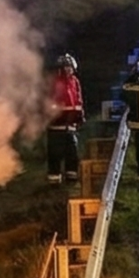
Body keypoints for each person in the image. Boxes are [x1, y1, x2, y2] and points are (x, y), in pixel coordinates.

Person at [47, 54, 84, 183]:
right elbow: (49, 103)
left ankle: (71, 177)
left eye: (70, 67)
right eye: (66, 67)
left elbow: (78, 100)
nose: (69, 70)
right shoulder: (54, 82)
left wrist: (80, 115)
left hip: (71, 125)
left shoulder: (75, 81)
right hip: (57, 125)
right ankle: (54, 180)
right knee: (55, 154)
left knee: (72, 153)